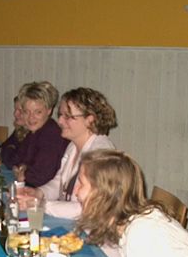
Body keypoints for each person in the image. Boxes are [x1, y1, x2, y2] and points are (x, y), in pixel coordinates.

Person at [18, 87, 117, 219]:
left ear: (90, 120)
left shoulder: (101, 154)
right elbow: (59, 182)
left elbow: (87, 208)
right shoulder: (73, 145)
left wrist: (41, 205)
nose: (60, 121)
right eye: (60, 115)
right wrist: (39, 193)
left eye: (68, 116)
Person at [2, 81, 68, 187]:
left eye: (38, 112)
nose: (31, 117)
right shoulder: (33, 132)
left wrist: (24, 172)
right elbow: (15, 160)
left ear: (49, 110)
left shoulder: (51, 134)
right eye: (26, 112)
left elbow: (40, 177)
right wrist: (21, 168)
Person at [0, 95, 28, 165]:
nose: (15, 114)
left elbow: (12, 161)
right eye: (15, 109)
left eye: (20, 111)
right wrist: (10, 148)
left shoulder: (34, 134)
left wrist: (9, 148)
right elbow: (0, 149)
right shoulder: (20, 129)